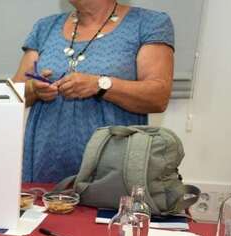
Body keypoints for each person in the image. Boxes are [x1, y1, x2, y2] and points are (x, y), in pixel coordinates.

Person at [14, 0, 175, 183]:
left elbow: (158, 96)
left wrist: (100, 85)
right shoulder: (45, 27)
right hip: (45, 165)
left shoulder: (148, 23)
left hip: (112, 170)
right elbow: (14, 95)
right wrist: (33, 89)